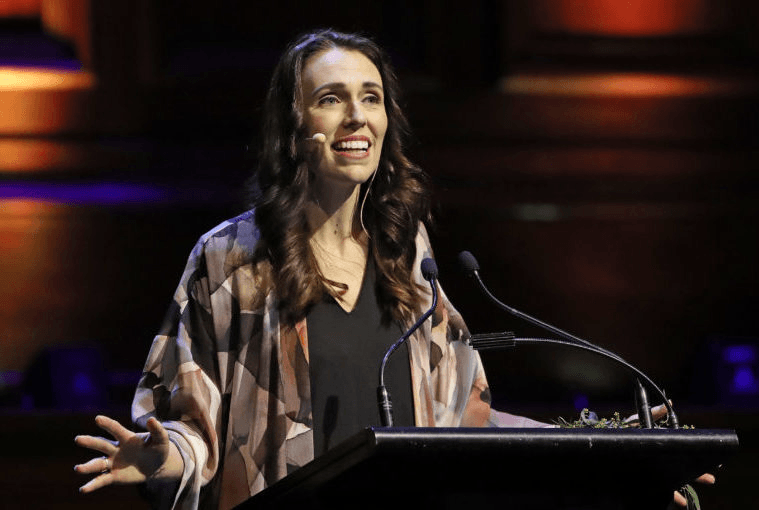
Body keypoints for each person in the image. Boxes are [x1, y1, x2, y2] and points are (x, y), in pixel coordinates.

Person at [74, 29, 491, 509]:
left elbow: (462, 400)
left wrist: (577, 433)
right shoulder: (232, 256)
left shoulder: (406, 248)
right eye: (332, 99)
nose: (357, 117)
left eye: (371, 99)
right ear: (293, 127)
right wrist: (164, 460)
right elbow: (189, 420)